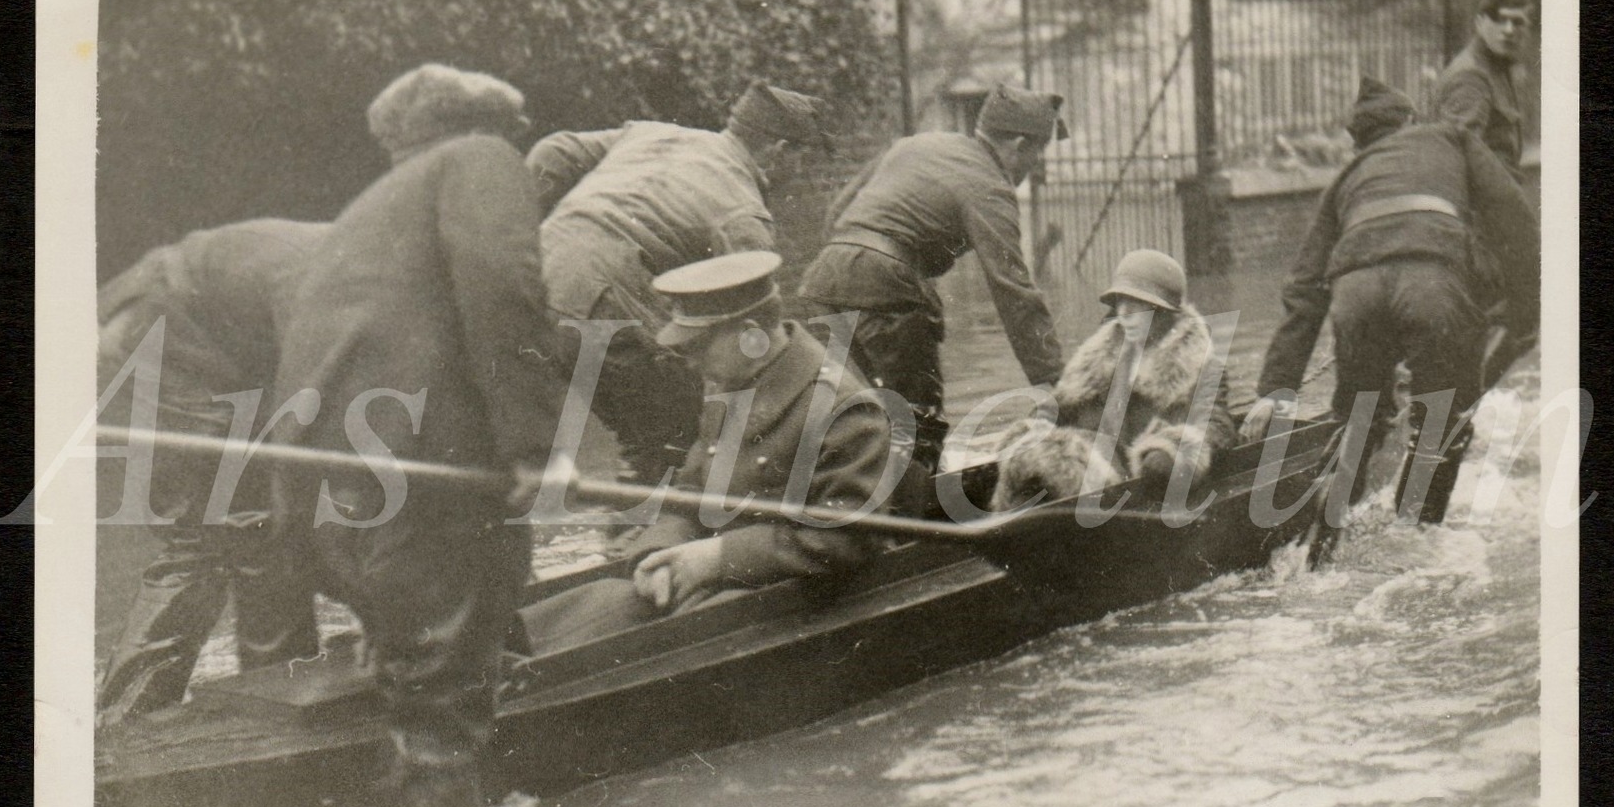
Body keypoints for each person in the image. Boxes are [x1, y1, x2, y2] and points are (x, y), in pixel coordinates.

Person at [269, 63, 563, 807]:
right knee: (443, 709)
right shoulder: (480, 161)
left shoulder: (370, 210)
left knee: (419, 687)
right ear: (496, 126)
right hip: (424, 479)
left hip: (330, 491)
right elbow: (507, 287)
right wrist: (534, 442)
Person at [516, 251, 899, 654]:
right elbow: (689, 490)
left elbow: (845, 540)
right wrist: (661, 550)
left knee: (675, 641)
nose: (691, 362)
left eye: (699, 347)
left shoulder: (845, 409)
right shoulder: (729, 387)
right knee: (586, 609)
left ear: (751, 335)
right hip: (722, 579)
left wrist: (717, 558)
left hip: (800, 592)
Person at [1240, 77, 1540, 524]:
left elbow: (1304, 289)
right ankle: (1413, 537)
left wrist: (1275, 389)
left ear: (1360, 143)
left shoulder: (1347, 176)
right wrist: (1524, 313)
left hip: (1355, 298)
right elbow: (1514, 217)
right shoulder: (1451, 138)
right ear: (1411, 120)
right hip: (1433, 288)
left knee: (1360, 422)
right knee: (1440, 427)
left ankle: (1326, 532)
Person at [526, 81, 830, 482]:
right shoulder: (743, 215)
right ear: (779, 151)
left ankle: (637, 532)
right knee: (680, 441)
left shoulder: (654, 133)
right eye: (803, 158)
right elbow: (759, 334)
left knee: (649, 431)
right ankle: (645, 542)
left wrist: (530, 228)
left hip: (527, 287)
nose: (801, 171)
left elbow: (554, 152)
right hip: (599, 305)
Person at [95, 219, 328, 726]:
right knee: (232, 528)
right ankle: (125, 726)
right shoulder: (335, 282)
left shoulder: (362, 265)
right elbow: (308, 410)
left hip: (179, 336)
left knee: (247, 527)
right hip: (162, 342)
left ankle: (272, 693)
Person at [796, 82, 1067, 485]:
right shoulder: (989, 185)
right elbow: (1013, 290)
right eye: (1037, 153)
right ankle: (922, 533)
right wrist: (1054, 380)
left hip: (823, 281)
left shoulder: (916, 145)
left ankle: (865, 511)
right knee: (917, 425)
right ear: (1017, 144)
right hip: (887, 288)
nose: (1034, 169)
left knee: (857, 417)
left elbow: (837, 212)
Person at [991, 249, 1235, 511]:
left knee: (1050, 473)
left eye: (1136, 305)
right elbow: (1061, 406)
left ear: (1163, 311)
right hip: (1089, 462)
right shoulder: (1098, 358)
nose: (1124, 313)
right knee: (1027, 455)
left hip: (1132, 478)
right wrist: (1042, 417)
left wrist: (1173, 451)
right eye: (1119, 302)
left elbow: (1218, 425)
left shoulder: (1199, 365)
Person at [1432, 0, 1536, 177]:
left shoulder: (1496, 68)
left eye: (1517, 21)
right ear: (1479, 23)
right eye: (1499, 19)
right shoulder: (1471, 76)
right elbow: (1459, 159)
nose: (1509, 29)